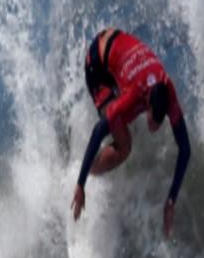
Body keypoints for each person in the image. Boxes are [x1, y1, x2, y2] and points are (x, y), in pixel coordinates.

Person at [71, 28, 191, 237]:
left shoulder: (167, 90)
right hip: (97, 64)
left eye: (158, 123)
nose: (154, 127)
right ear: (147, 103)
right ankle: (85, 173)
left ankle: (93, 166)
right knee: (125, 145)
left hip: (115, 44)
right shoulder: (134, 95)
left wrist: (171, 199)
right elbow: (98, 131)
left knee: (125, 125)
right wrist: (81, 184)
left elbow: (185, 149)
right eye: (153, 120)